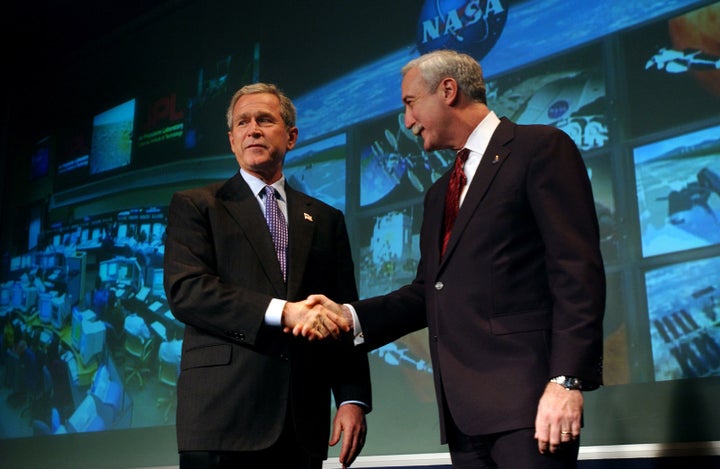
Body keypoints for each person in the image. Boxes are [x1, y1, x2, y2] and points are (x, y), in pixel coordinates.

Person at [298, 49, 606, 468]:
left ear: (448, 90)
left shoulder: (540, 149)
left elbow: (577, 271)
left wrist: (566, 381)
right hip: (464, 418)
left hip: (531, 406)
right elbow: (428, 292)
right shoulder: (437, 193)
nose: (406, 121)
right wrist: (348, 317)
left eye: (409, 103)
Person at [163, 82, 372, 469]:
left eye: (265, 120)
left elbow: (345, 311)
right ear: (231, 140)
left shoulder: (327, 219)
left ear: (291, 137)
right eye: (242, 122)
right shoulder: (196, 206)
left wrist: (351, 398)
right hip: (222, 419)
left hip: (301, 421)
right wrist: (283, 311)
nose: (253, 129)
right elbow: (187, 291)